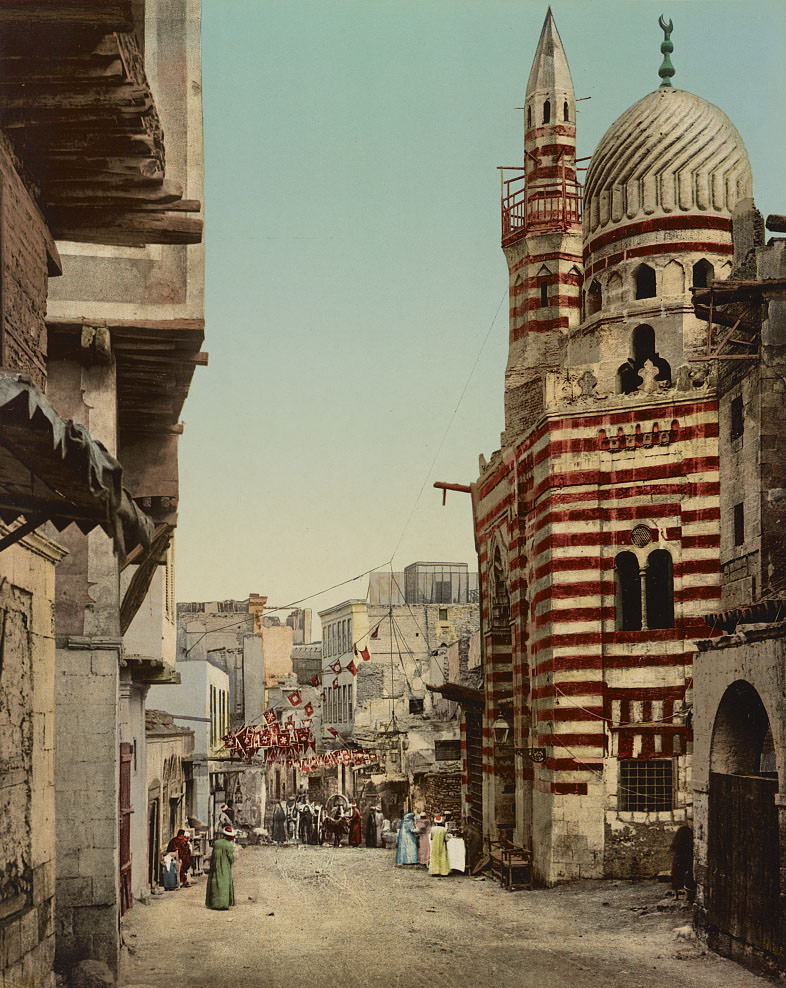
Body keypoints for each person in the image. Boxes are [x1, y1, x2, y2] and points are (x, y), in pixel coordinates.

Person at [205, 825, 235, 910]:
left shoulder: (217, 843)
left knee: (215, 884)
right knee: (224, 884)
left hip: (215, 866)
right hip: (225, 867)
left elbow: (213, 855)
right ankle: (223, 904)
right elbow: (231, 858)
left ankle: (213, 903)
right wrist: (231, 862)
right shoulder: (229, 845)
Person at [670, 825, 696, 900]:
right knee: (683, 875)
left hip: (682, 857)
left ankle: (678, 894)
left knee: (677, 874)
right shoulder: (686, 832)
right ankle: (686, 894)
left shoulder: (684, 833)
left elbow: (673, 847)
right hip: (684, 857)